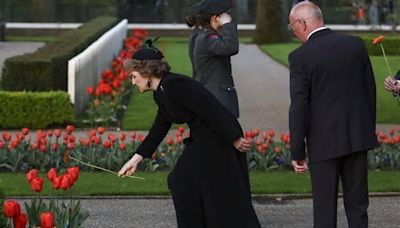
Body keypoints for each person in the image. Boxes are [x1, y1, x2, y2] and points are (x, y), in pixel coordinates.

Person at [118, 41, 260, 228]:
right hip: (204, 137)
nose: (133, 81)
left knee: (181, 180)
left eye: (134, 76)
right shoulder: (161, 91)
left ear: (147, 72)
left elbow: (211, 109)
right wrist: (136, 159)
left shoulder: (175, 85)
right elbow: (160, 127)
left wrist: (234, 137)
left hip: (217, 134)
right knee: (192, 184)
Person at [288, 2, 378, 228]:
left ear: (303, 23)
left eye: (293, 27)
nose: (294, 32)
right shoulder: (355, 45)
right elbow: (370, 91)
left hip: (324, 143)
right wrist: (366, 131)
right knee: (358, 207)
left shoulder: (301, 56)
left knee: (324, 210)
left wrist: (297, 151)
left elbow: (299, 107)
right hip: (357, 138)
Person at [192, 0, 240, 119]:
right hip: (215, 98)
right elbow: (231, 47)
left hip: (215, 97)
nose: (228, 17)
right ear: (215, 18)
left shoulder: (207, 35)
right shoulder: (208, 37)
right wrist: (228, 25)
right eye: (224, 14)